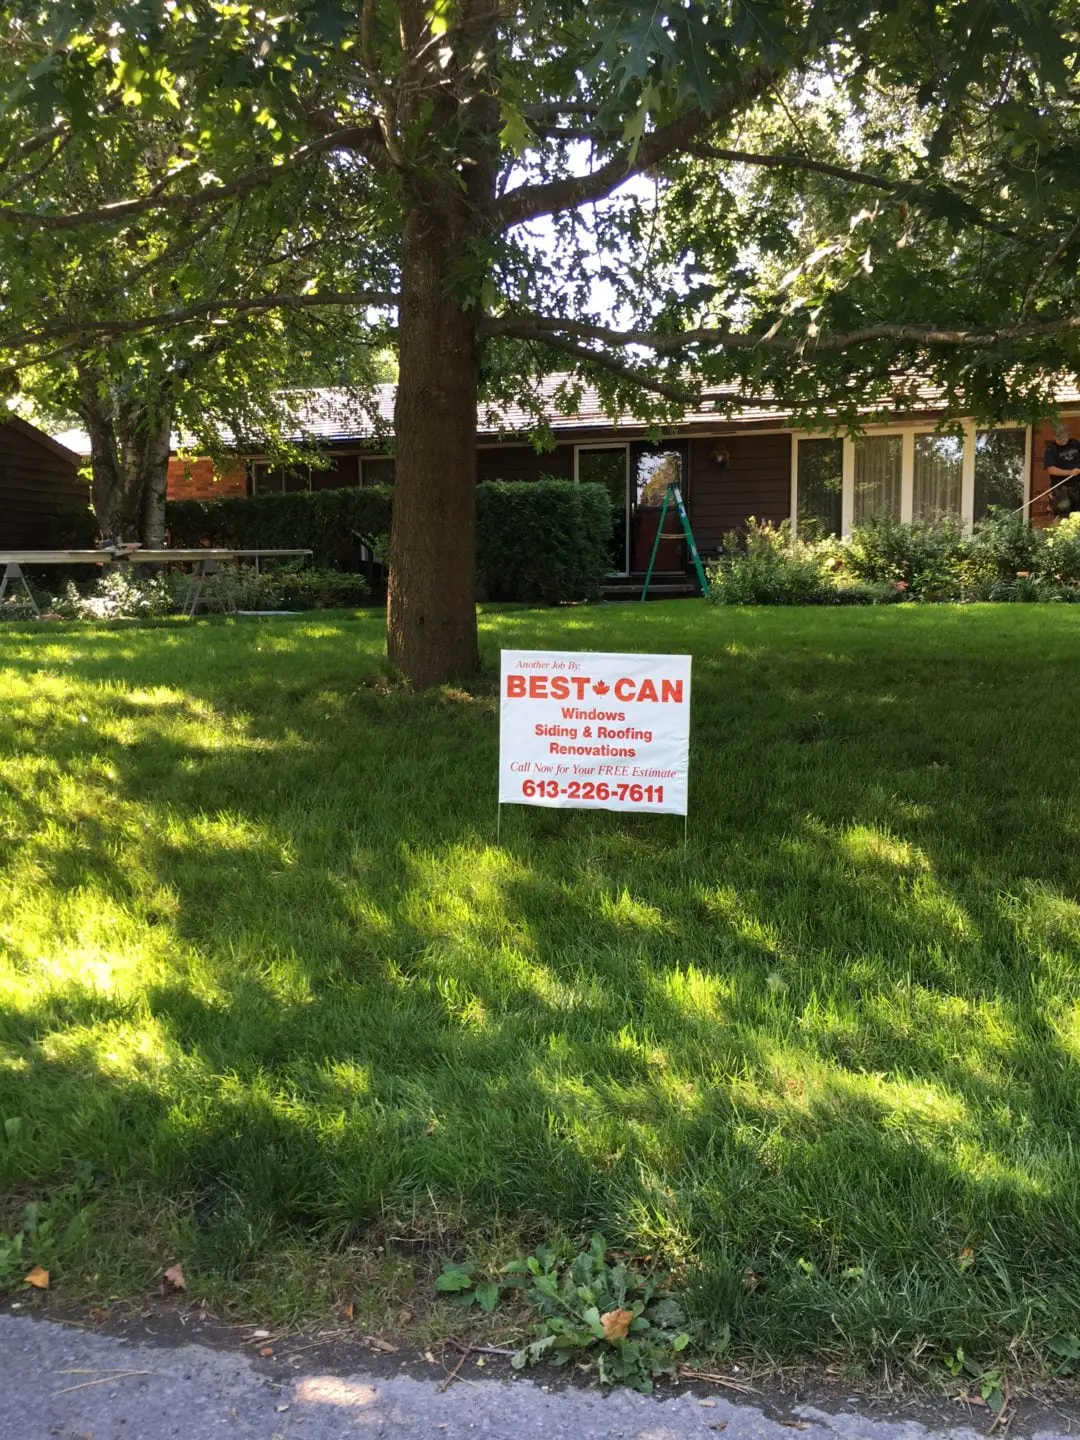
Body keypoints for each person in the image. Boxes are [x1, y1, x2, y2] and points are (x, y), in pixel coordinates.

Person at [1043, 423, 1080, 515]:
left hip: (1077, 486)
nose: (1062, 441)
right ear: (1054, 437)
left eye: (1064, 438)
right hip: (1060, 489)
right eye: (1059, 439)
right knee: (1063, 515)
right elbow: (1051, 469)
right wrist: (1070, 472)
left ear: (1068, 435)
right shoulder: (1050, 450)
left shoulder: (1075, 444)